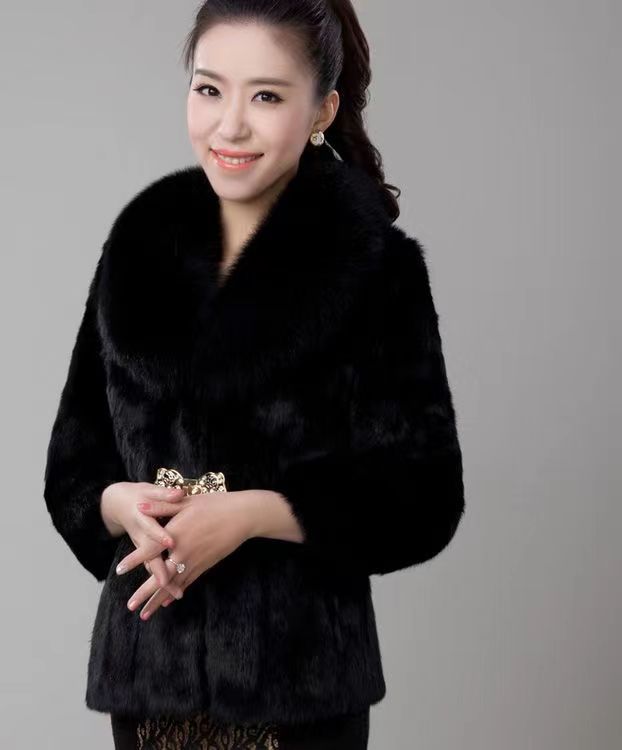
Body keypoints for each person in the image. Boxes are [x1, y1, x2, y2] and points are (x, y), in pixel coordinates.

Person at [43, 1, 465, 747]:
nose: (229, 125)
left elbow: (424, 496)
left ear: (321, 110)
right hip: (149, 677)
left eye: (266, 95)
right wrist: (119, 504)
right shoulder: (135, 253)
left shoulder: (375, 272)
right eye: (209, 89)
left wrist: (255, 514)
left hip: (297, 684)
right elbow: (72, 472)